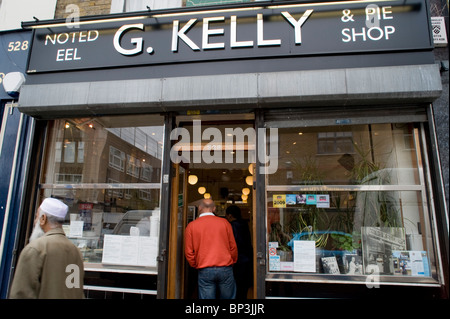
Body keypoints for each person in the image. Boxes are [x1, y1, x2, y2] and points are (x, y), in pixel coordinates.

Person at [9, 198, 85, 299]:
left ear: (43, 219)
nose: (35, 221)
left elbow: (20, 294)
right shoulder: (75, 250)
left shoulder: (35, 249)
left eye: (36, 217)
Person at [184, 198, 238, 299]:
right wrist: (232, 261)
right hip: (225, 267)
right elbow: (233, 247)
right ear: (214, 208)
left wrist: (196, 264)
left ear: (199, 208)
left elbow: (188, 252)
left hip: (204, 268)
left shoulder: (191, 226)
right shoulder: (225, 223)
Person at [225, 205, 253, 299]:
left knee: (236, 288)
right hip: (247, 259)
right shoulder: (245, 224)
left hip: (238, 261)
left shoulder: (232, 226)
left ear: (229, 215)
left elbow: (233, 245)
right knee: (243, 289)